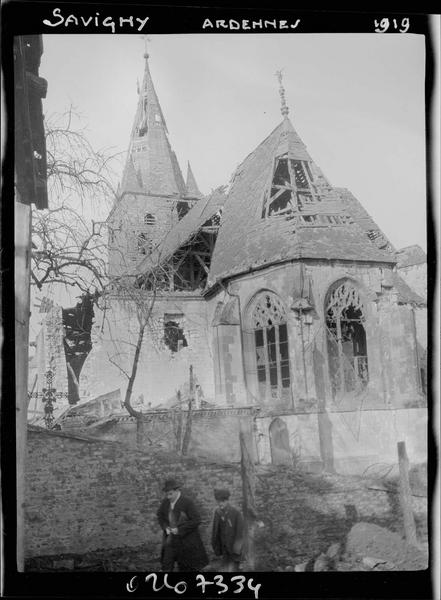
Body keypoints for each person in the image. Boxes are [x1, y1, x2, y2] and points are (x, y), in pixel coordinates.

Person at [157, 478, 208, 572]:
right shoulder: (165, 502)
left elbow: (196, 520)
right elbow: (160, 515)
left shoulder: (187, 502)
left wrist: (179, 530)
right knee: (166, 564)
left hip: (185, 542)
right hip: (170, 541)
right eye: (167, 494)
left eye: (170, 494)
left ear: (177, 491)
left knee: (186, 567)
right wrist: (165, 527)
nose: (168, 497)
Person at [211, 488, 244, 571]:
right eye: (218, 502)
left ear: (227, 500)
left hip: (234, 549)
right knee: (225, 568)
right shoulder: (217, 512)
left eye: (222, 501)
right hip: (224, 548)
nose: (220, 504)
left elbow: (240, 533)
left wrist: (237, 549)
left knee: (234, 569)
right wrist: (216, 546)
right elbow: (215, 530)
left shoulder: (236, 513)